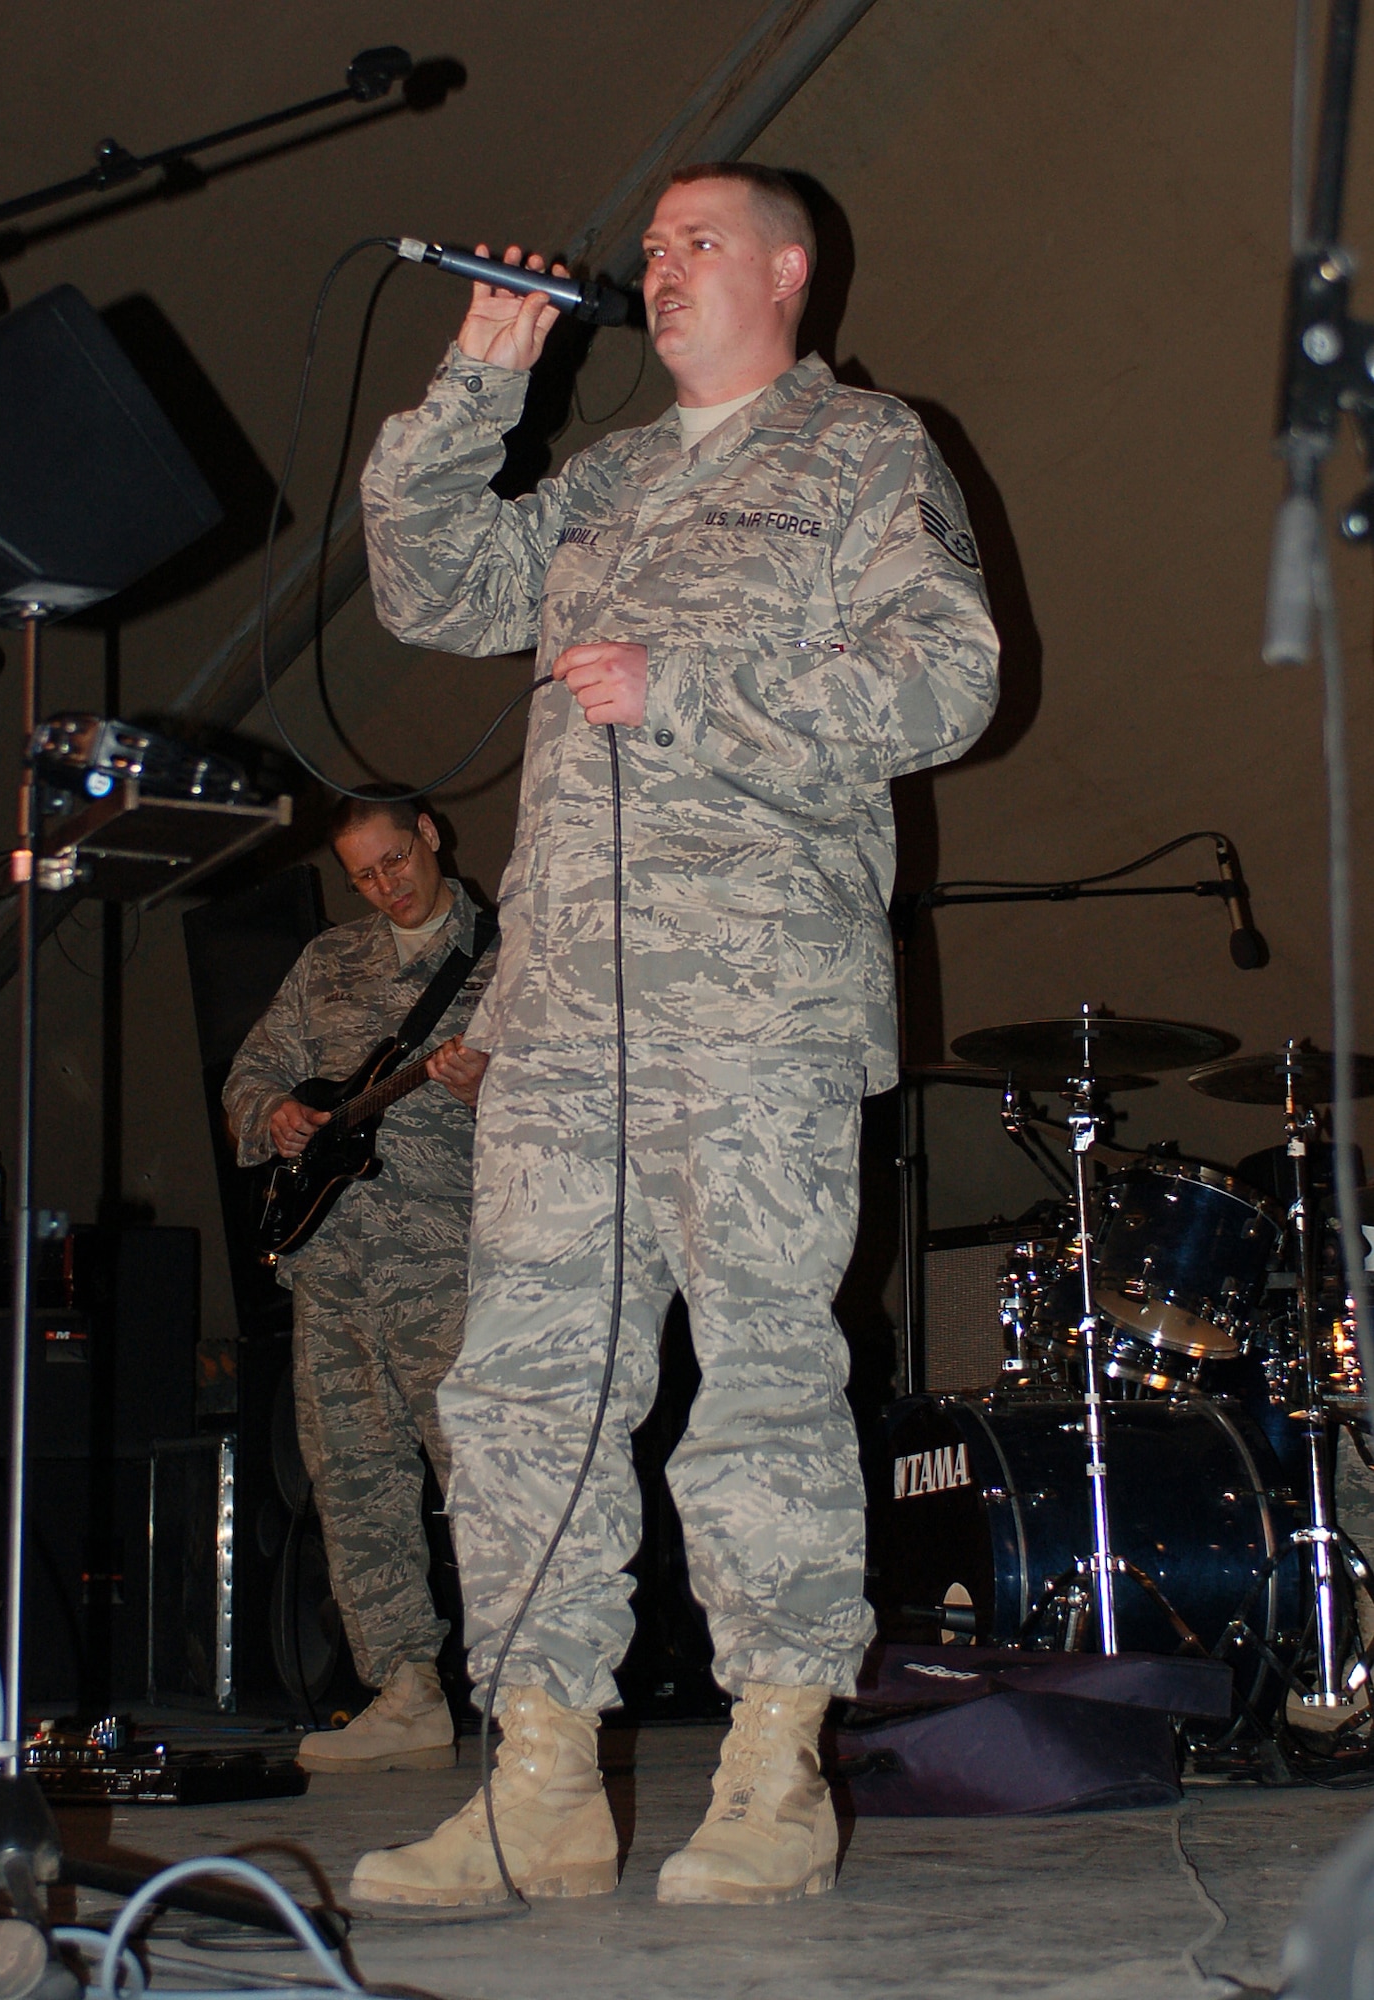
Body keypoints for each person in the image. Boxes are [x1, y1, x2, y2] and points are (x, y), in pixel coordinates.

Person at [351, 163, 1000, 1903]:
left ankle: (775, 1769)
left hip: (757, 1009)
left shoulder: (865, 449)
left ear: (788, 271)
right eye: (644, 248)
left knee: (763, 1386)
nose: (657, 269)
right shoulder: (608, 480)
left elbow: (946, 679)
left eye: (694, 242)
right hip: (563, 1020)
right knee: (523, 1396)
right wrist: (479, 376)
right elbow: (429, 587)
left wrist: (693, 690)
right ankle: (538, 1784)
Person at [222, 788, 496, 1773]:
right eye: (363, 875)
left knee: (487, 1477)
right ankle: (405, 1688)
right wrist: (276, 1114)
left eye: (394, 860)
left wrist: (487, 1083)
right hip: (333, 1268)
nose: (385, 885)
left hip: (448, 1267)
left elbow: (581, 1100)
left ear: (430, 834)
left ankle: (529, 1690)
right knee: (354, 1478)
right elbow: (249, 1075)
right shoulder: (329, 961)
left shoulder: (510, 959)